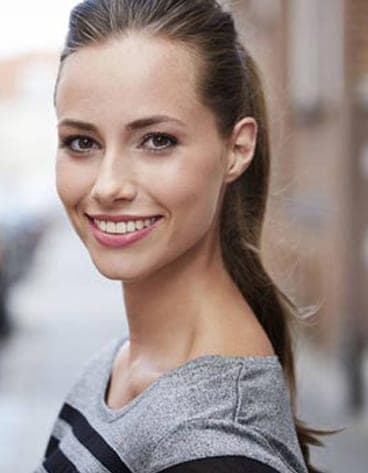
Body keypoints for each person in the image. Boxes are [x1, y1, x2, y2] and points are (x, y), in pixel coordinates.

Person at [35, 1, 340, 472]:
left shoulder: (217, 447)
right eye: (82, 142)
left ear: (237, 149)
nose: (108, 185)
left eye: (156, 140)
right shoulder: (119, 363)